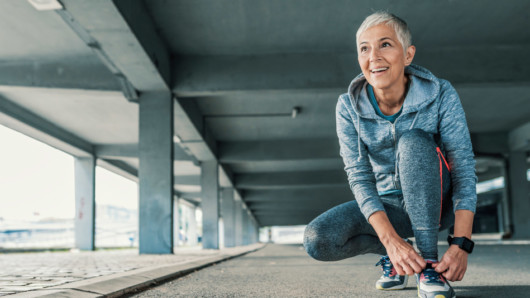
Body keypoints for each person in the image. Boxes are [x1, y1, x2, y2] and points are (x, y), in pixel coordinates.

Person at [303, 11, 477, 298]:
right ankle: (396, 256)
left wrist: (461, 243)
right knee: (318, 240)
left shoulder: (441, 93)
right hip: (389, 208)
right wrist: (391, 241)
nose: (374, 56)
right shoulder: (348, 107)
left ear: (408, 55)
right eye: (364, 48)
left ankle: (428, 265)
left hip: (437, 203)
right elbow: (359, 176)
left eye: (385, 44)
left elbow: (463, 169)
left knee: (413, 142)